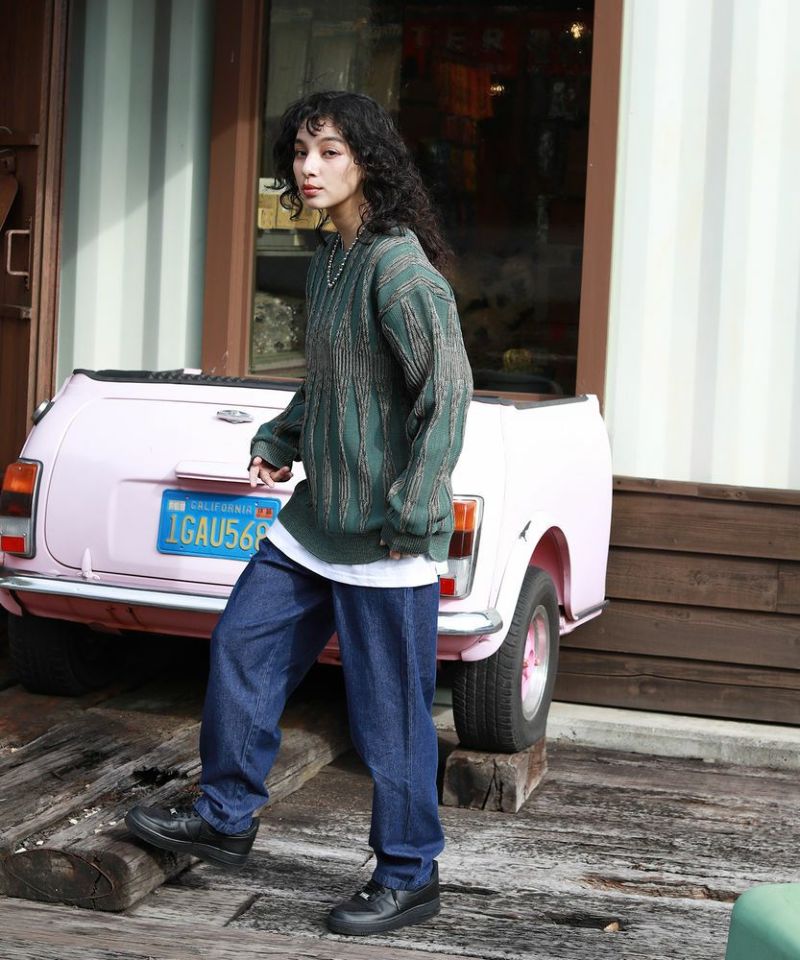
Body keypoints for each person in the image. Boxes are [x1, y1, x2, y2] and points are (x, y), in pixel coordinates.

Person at [126, 90, 473, 936]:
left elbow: (448, 392)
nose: (309, 168)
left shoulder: (399, 269)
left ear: (368, 163)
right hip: (317, 519)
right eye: (300, 153)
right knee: (243, 643)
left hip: (387, 535)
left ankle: (409, 874)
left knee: (387, 717)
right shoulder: (331, 261)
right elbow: (331, 382)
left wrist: (415, 506)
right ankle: (225, 815)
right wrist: (281, 438)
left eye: (329, 152)